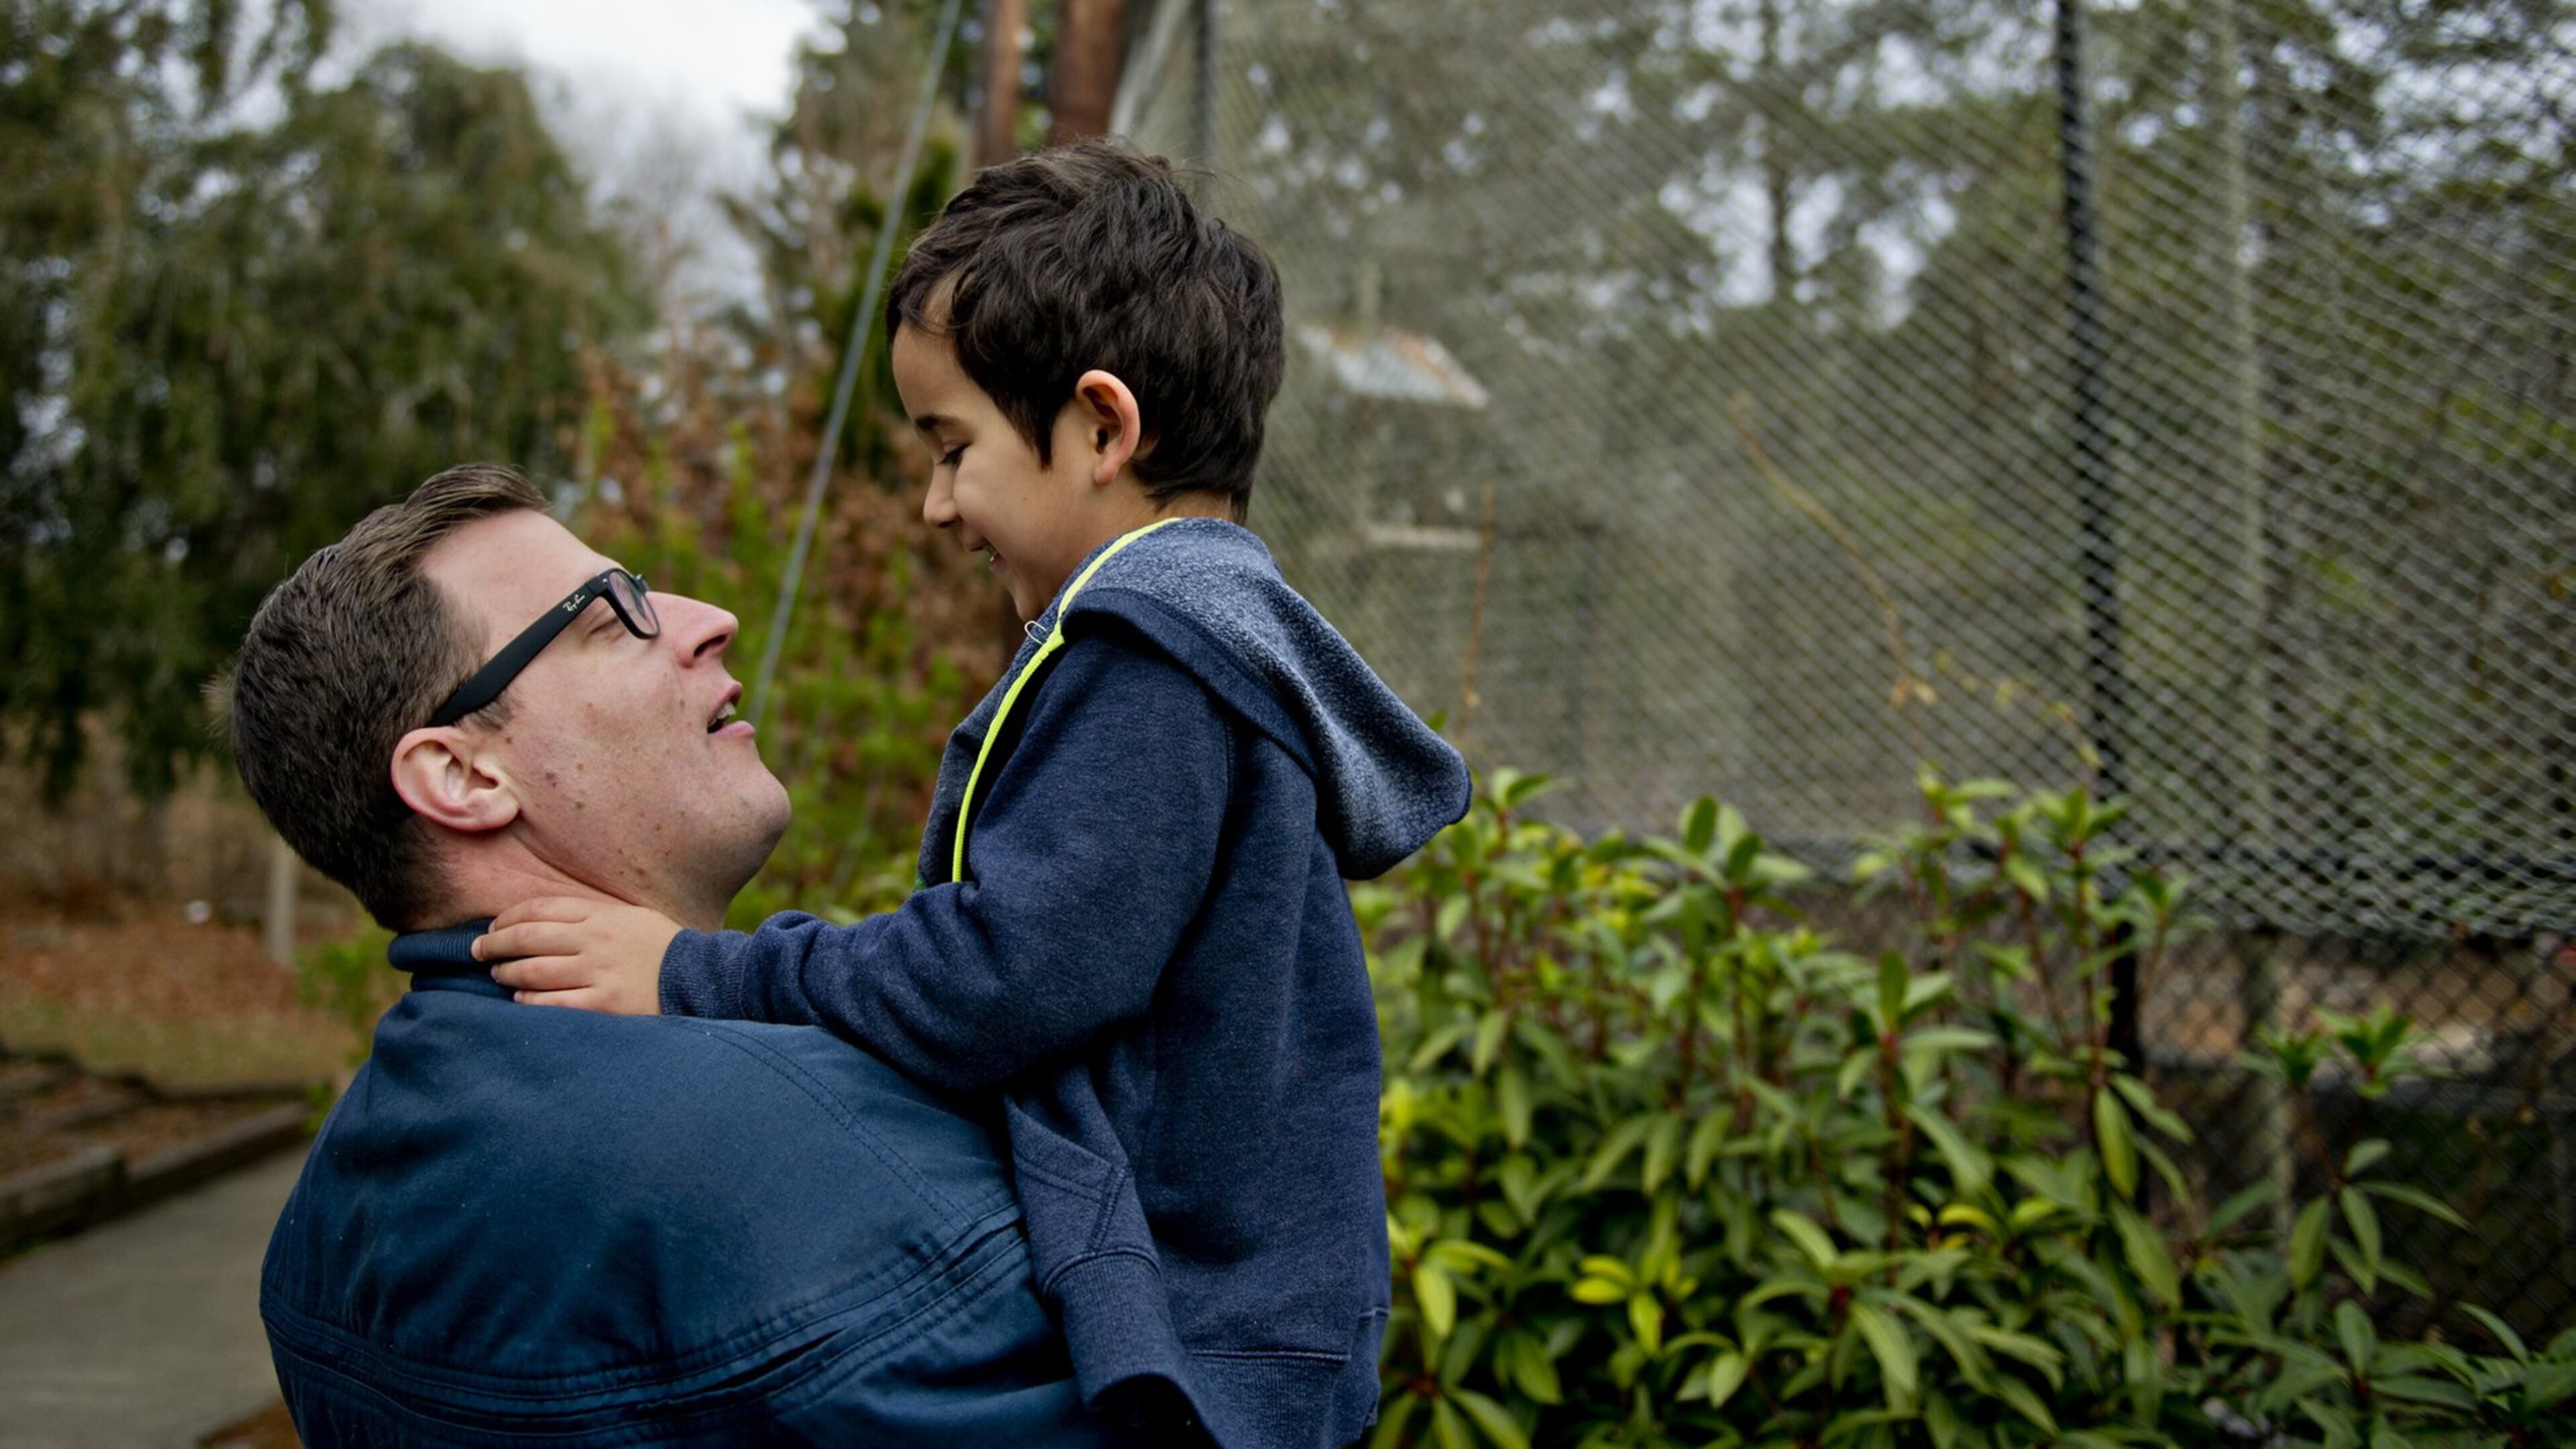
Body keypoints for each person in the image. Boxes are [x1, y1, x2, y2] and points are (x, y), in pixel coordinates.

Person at [472, 142, 1474, 1449]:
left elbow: (1008, 974)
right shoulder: (1207, 637)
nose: (940, 506)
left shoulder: (1146, 651)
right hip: (1240, 1305)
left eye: (954, 449)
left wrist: (692, 975)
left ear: (1104, 429)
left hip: (1195, 1326)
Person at [227, 464, 1120, 1445]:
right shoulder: (803, 1169)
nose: (712, 619)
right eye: (611, 619)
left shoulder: (318, 1241)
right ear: (463, 774)